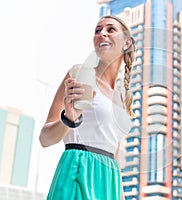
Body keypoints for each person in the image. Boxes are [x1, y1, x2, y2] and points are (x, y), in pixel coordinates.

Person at [39, 15, 135, 200]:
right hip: (79, 169)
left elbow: (114, 153)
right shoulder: (79, 75)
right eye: (98, 31)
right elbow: (45, 139)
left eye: (110, 29)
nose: (102, 34)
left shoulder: (122, 96)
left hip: (110, 180)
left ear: (126, 43)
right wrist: (69, 118)